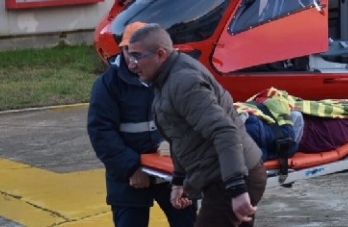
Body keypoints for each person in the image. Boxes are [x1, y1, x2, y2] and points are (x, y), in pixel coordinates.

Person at [127, 23, 266, 227]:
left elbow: (224, 131)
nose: (132, 64)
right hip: (228, 175)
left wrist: (236, 188)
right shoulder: (165, 78)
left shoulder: (184, 82)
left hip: (230, 178)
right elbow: (181, 135)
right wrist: (179, 180)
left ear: (160, 54)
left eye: (137, 56)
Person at [87, 21, 197, 227]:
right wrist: (132, 168)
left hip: (173, 170)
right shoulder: (108, 84)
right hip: (128, 175)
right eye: (129, 52)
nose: (133, 61)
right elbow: (101, 132)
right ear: (122, 50)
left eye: (139, 54)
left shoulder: (172, 75)